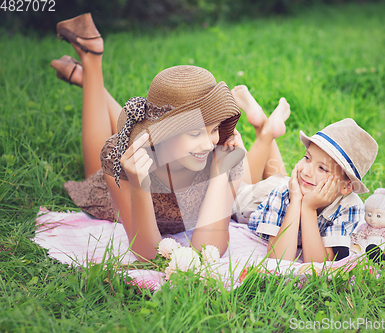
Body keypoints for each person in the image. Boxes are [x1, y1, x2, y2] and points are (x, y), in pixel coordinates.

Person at [51, 13, 291, 261]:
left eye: (213, 128)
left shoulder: (224, 150)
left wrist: (221, 175)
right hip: (115, 192)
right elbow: (147, 255)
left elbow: (208, 251)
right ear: (161, 134)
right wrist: (139, 186)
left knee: (134, 132)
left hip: (154, 144)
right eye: (195, 132)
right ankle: (91, 64)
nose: (209, 142)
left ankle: (88, 74)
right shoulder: (123, 159)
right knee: (95, 170)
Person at [248, 118, 379, 263]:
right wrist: (296, 201)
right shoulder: (282, 193)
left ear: (346, 186)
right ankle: (264, 129)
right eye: (307, 158)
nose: (306, 171)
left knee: (279, 176)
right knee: (238, 187)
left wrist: (308, 208)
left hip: (291, 185)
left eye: (322, 168)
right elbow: (279, 260)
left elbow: (318, 264)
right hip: (255, 200)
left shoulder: (350, 207)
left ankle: (267, 127)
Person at [350, 188, 385, 261]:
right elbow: (358, 237)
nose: (372, 218)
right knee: (356, 247)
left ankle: (380, 259)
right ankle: (359, 257)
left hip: (383, 251)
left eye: (378, 216)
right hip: (366, 249)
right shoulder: (366, 228)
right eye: (369, 214)